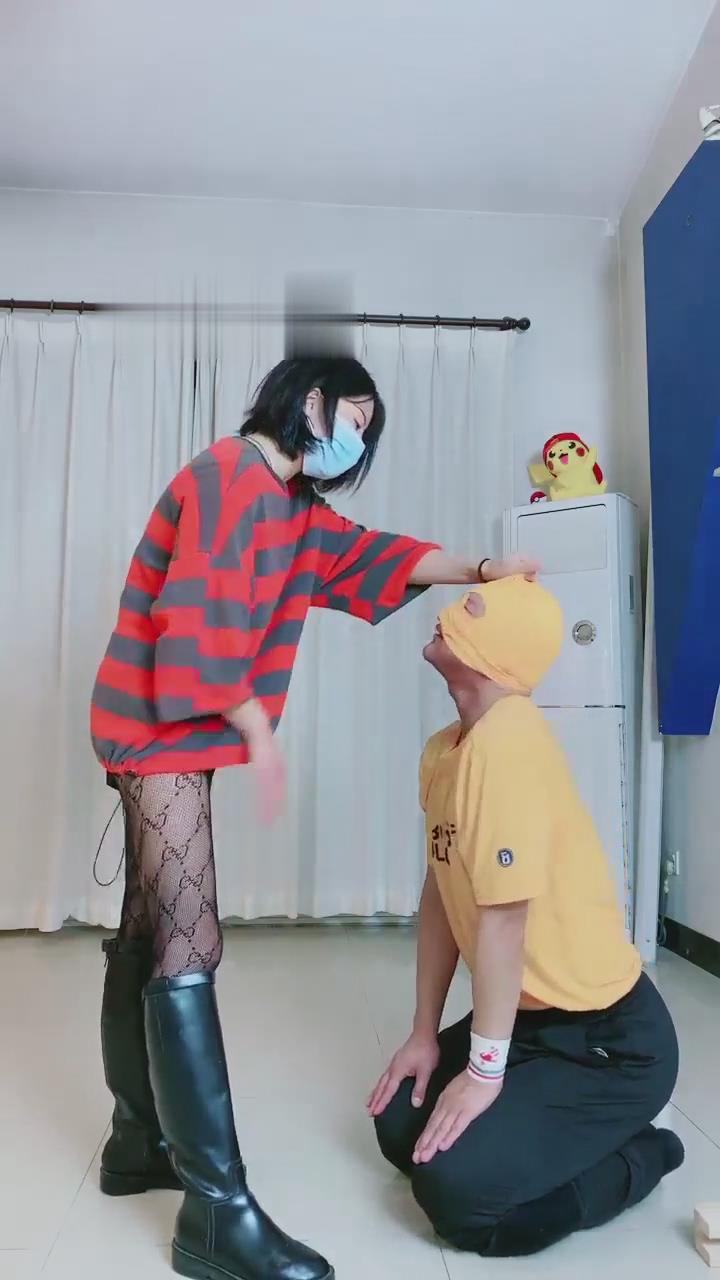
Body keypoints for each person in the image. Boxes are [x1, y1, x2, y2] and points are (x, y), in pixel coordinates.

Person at [91, 353, 536, 1280]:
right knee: (188, 942)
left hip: (170, 732)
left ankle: (137, 1144)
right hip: (156, 728)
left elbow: (377, 556)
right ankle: (216, 1214)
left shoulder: (293, 508)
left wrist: (485, 567)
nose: (356, 441)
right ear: (307, 400)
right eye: (353, 418)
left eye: (369, 430)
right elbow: (196, 617)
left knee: (145, 929)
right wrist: (255, 725)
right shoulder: (228, 477)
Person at [369, 576, 684, 1258]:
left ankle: (644, 1153)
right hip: (529, 1023)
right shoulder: (448, 749)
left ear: (500, 649)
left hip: (610, 1045)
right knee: (398, 1125)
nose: (449, 611)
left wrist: (484, 1074)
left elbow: (503, 922)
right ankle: (562, 1125)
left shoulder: (509, 739)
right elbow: (441, 892)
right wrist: (423, 1034)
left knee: (457, 1198)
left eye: (472, 608)